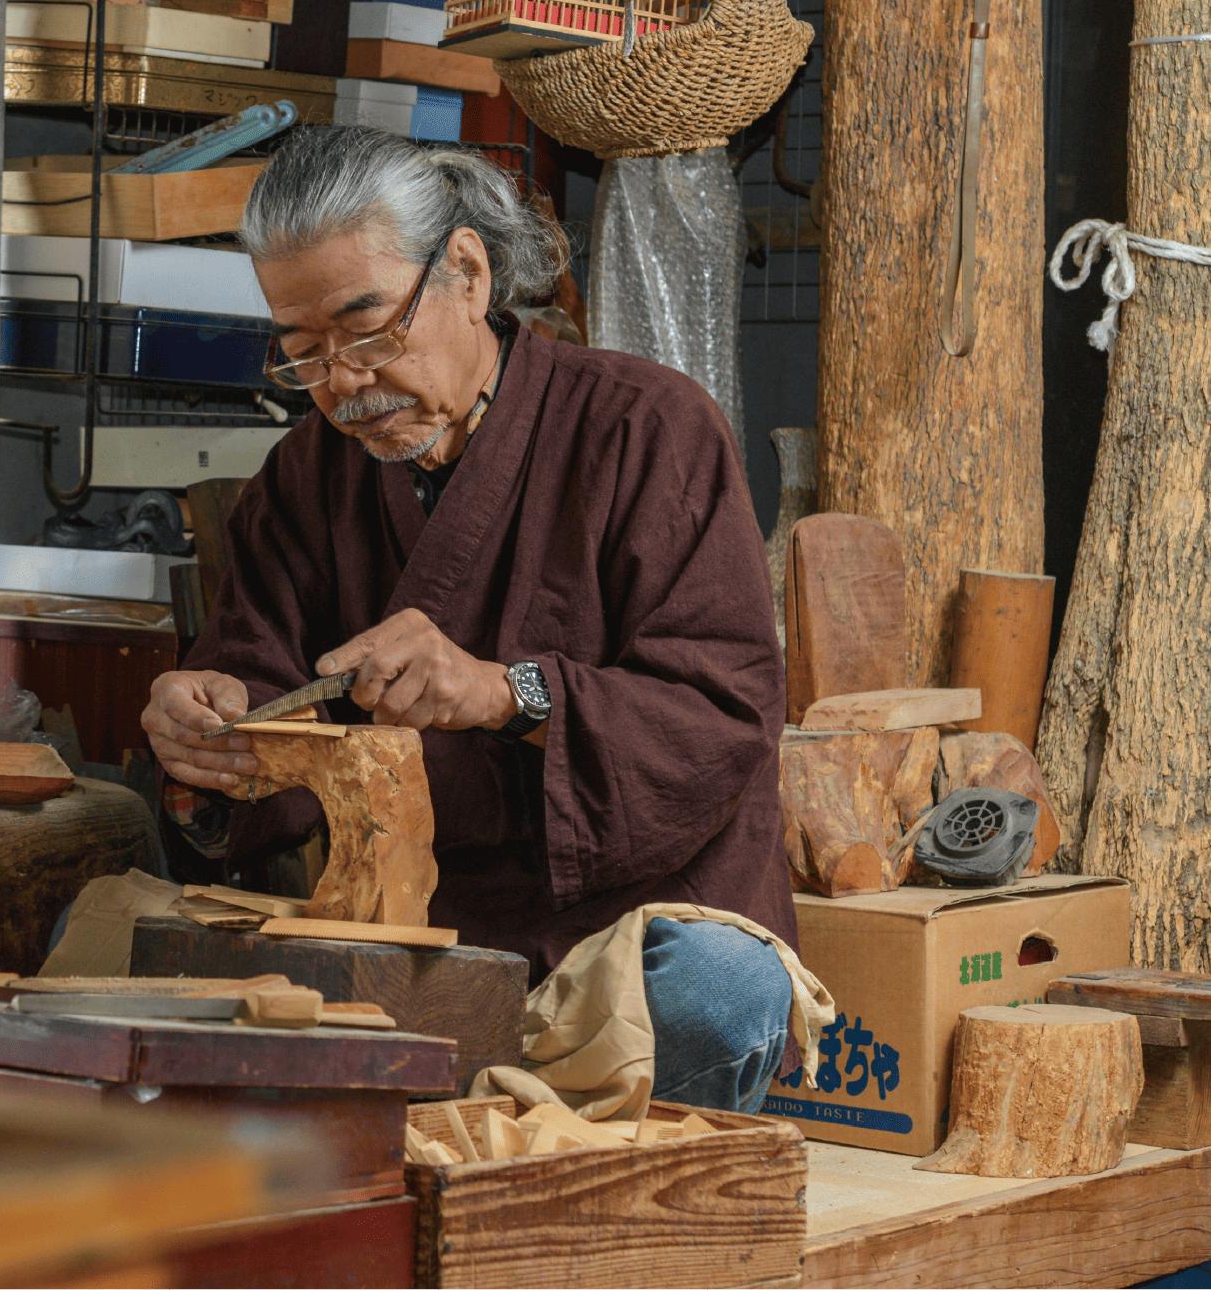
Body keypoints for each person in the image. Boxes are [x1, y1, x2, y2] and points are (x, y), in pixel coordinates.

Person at [139, 126, 798, 1114]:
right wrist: (211, 733)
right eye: (302, 355)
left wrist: (502, 691)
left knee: (717, 987)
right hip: (412, 933)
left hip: (619, 926)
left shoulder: (643, 428)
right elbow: (259, 684)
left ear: (465, 273)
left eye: (367, 333)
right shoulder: (303, 482)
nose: (343, 385)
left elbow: (722, 712)